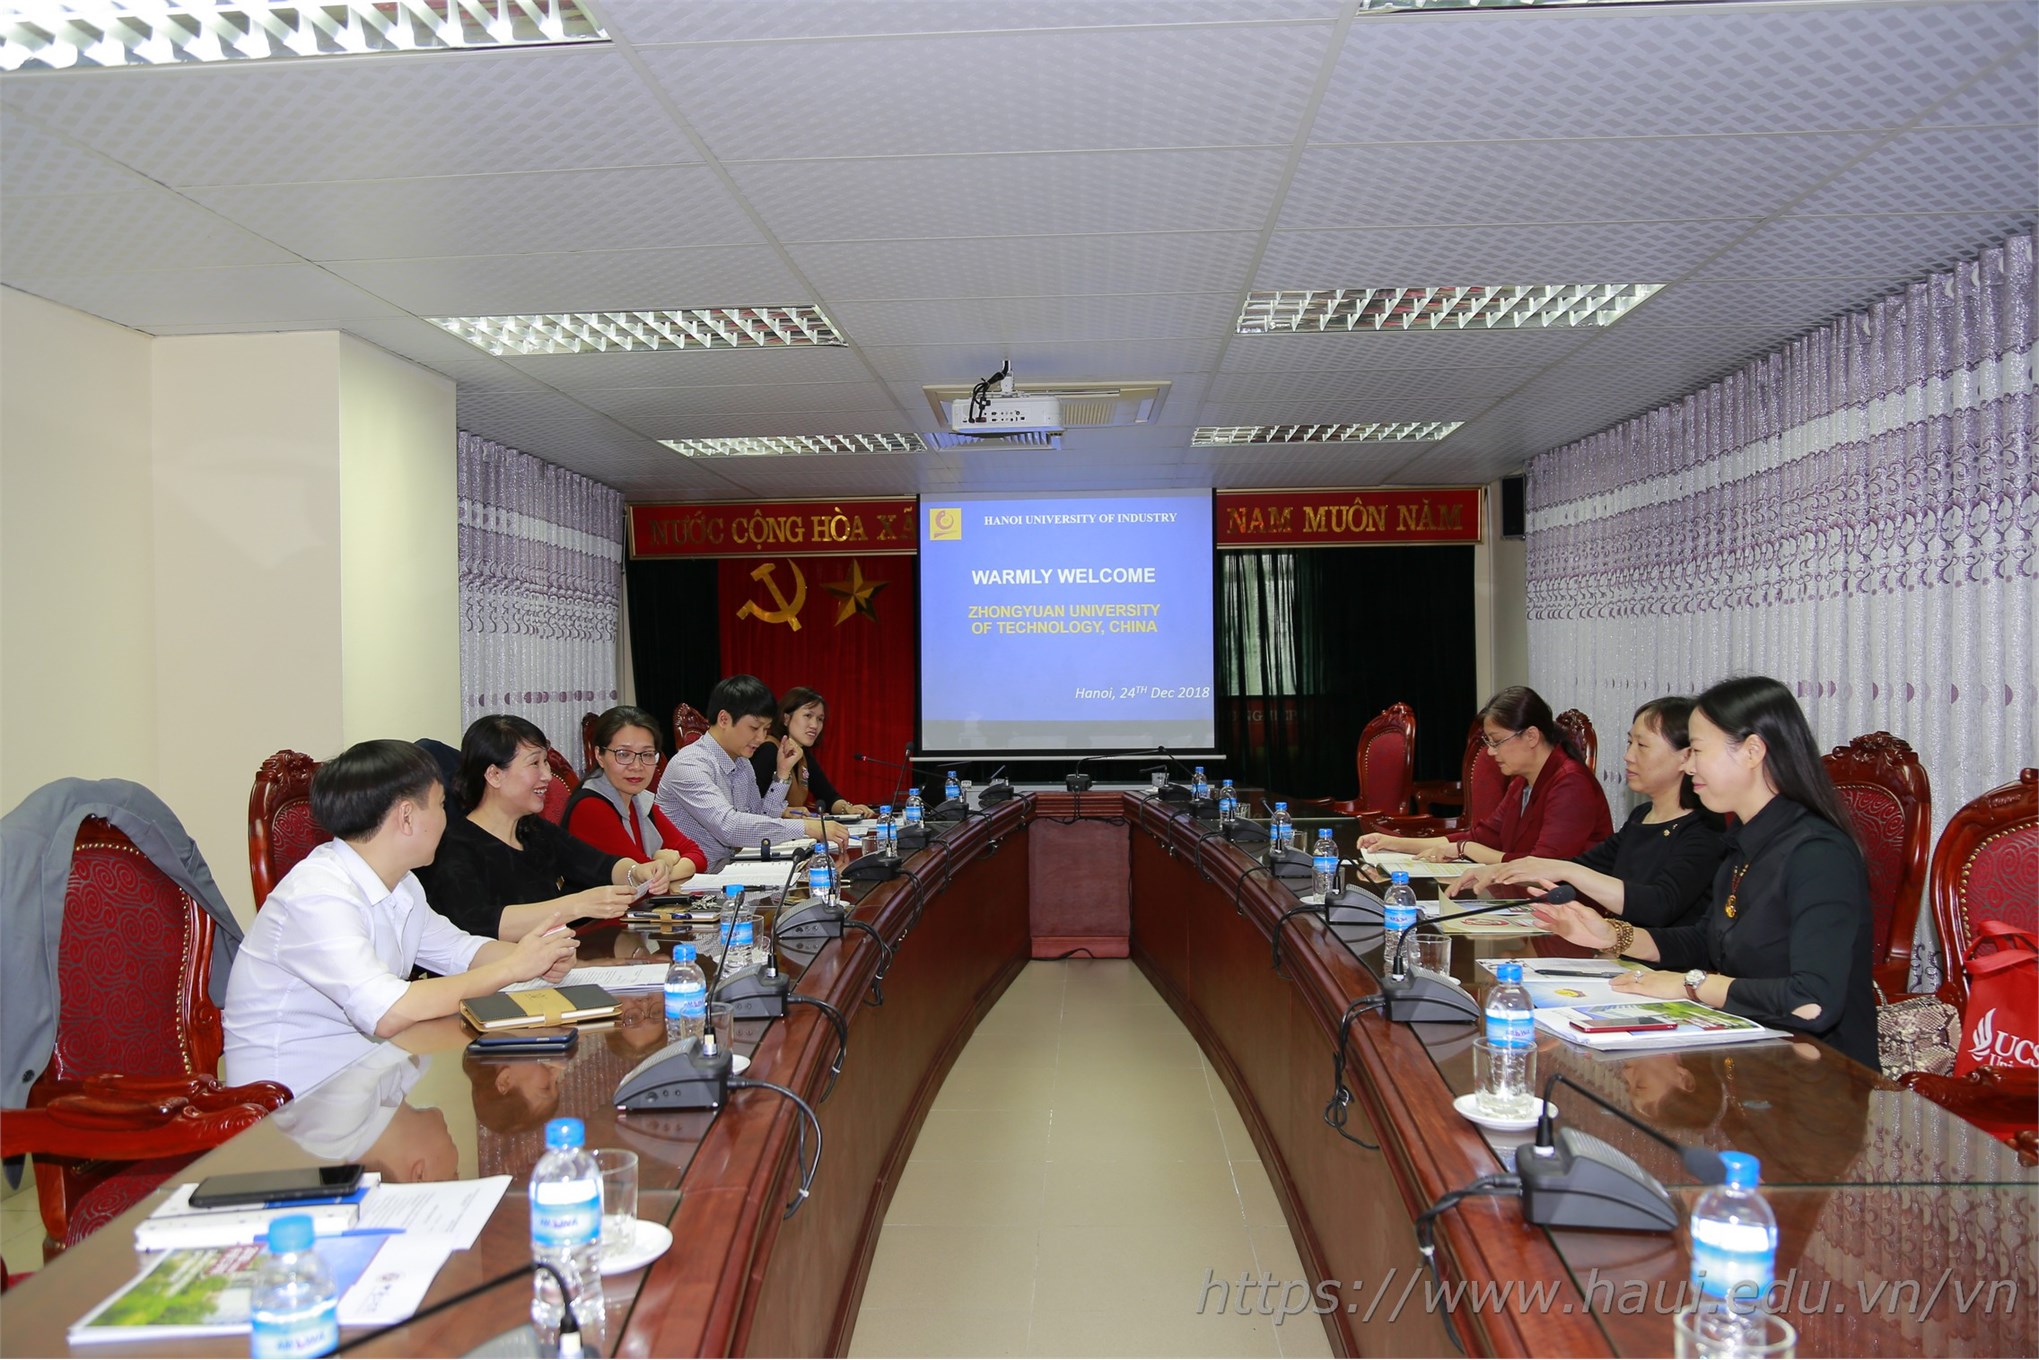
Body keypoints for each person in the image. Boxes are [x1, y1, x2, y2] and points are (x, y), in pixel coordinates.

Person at [1533, 675, 1880, 1071]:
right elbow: (1709, 939)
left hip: (1819, 1079)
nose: (1689, 764)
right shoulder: (1745, 839)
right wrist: (1615, 936)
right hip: (1749, 1056)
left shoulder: (1817, 853)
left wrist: (1691, 985)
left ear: (1752, 751)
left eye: (1697, 750)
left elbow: (1811, 1002)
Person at [221, 740, 579, 1094]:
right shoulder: (318, 894)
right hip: (294, 1104)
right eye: (441, 805)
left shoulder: (402, 883)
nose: (447, 819)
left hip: (364, 1080)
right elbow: (388, 1009)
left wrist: (538, 956)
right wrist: (513, 968)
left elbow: (459, 950)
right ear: (407, 816)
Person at [1449, 696, 1725, 927]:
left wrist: (1567, 872)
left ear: (1686, 757)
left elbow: (1659, 905)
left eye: (1641, 746)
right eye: (1629, 743)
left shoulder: (1704, 829)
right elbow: (1584, 864)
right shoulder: (1642, 816)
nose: (1628, 756)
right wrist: (1502, 870)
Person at [428, 715, 670, 940]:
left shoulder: (533, 830)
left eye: (546, 762)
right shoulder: (456, 846)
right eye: (535, 763)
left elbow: (600, 865)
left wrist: (636, 873)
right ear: (494, 775)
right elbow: (478, 922)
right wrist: (576, 906)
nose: (547, 776)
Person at [1359, 686, 1612, 864]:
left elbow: (1541, 866)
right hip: (1523, 898)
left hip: (1569, 910)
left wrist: (1465, 850)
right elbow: (1482, 836)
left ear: (1532, 736)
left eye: (1497, 741)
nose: (1491, 753)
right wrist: (1395, 842)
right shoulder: (1521, 782)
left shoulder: (1571, 783)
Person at [655, 675, 851, 871]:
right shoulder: (690, 765)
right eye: (754, 728)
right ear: (724, 719)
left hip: (728, 871)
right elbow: (729, 827)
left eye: (765, 729)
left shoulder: (742, 762)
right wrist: (807, 828)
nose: (760, 738)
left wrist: (782, 774)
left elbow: (762, 816)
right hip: (689, 881)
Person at [566, 705, 706, 882]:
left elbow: (697, 855)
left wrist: (663, 866)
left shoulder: (638, 800)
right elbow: (643, 878)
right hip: (598, 909)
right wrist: (665, 860)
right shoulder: (591, 807)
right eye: (623, 754)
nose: (637, 766)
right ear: (599, 756)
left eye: (647, 754)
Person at [748, 687, 875, 819]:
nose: (814, 725)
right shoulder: (768, 750)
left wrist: (848, 809)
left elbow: (828, 796)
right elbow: (751, 807)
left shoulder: (803, 754)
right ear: (786, 718)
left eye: (820, 719)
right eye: (808, 716)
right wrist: (784, 812)